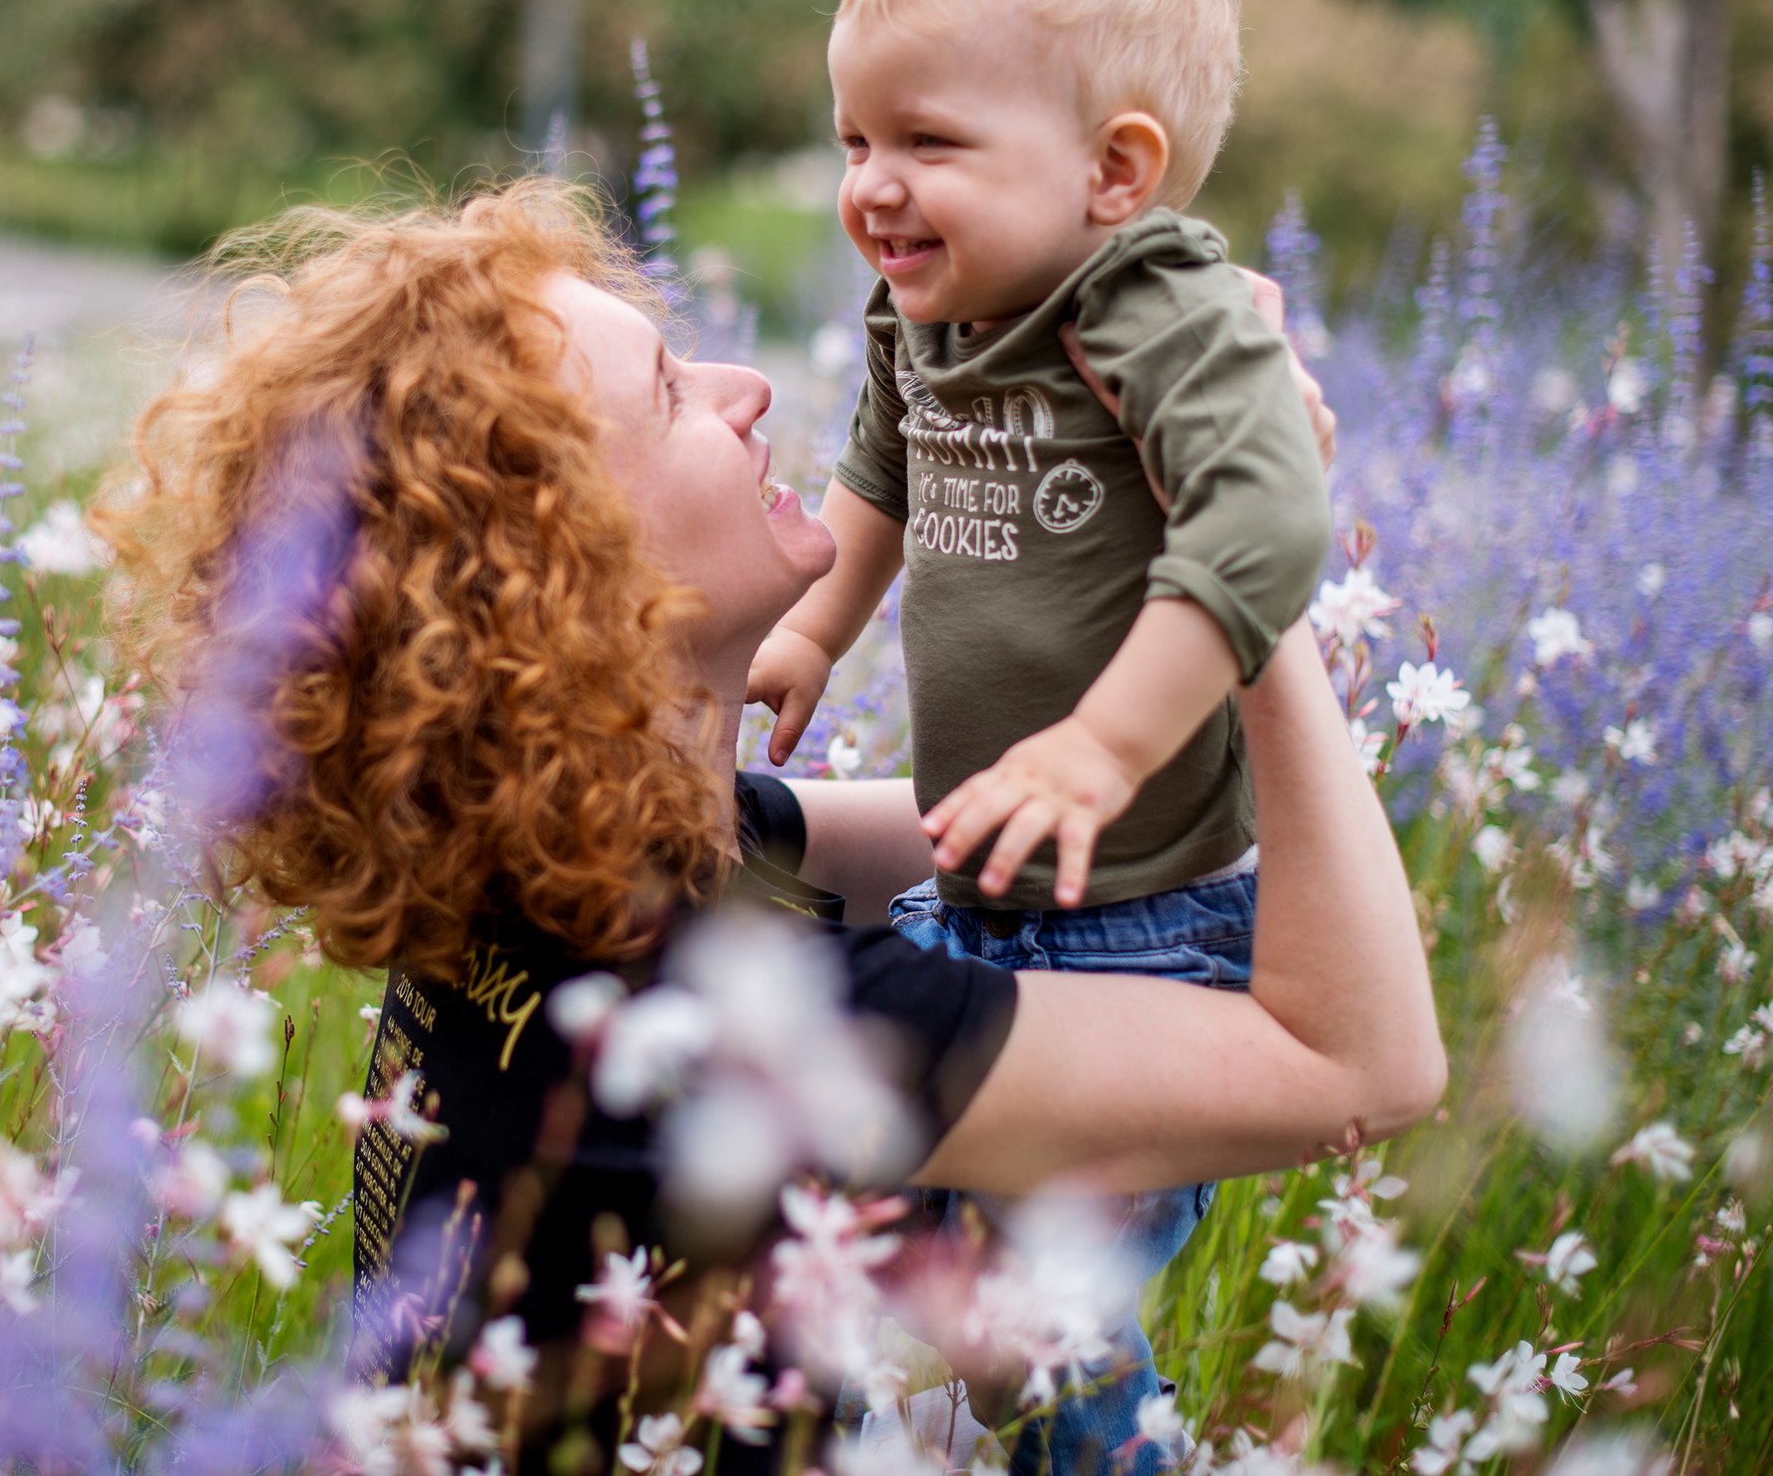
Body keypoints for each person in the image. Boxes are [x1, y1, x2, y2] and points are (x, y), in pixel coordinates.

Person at [96, 182, 1440, 1476]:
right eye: (674, 393)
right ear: (575, 585)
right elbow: (1364, 1065)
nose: (750, 395)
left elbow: (1039, 831)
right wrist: (1242, 549)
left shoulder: (572, 894)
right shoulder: (743, 1034)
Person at [741, 0, 1335, 1464]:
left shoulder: (1158, 310)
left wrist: (1105, 745)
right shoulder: (922, 303)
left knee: (1052, 1331)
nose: (873, 184)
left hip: (1149, 915)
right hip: (984, 885)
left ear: (1114, 170)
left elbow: (1273, 524)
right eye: (856, 135)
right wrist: (812, 626)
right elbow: (886, 462)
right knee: (923, 1278)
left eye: (928, 141)